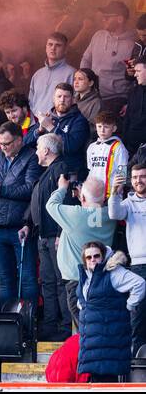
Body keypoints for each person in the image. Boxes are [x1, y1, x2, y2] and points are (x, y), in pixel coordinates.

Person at [46, 173, 116, 332]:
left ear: (82, 198)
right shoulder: (109, 215)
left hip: (76, 280)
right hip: (100, 279)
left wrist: (62, 188)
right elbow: (96, 208)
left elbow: (51, 204)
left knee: (84, 328)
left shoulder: (76, 215)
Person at [0, 121, 40, 303]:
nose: (3, 147)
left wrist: (2, 191)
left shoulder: (31, 157)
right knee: (5, 280)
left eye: (7, 143)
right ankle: (7, 324)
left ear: (19, 141)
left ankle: (28, 322)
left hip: (21, 226)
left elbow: (31, 189)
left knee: (27, 278)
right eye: (1, 144)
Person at [28, 133, 77, 340]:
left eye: (38, 147)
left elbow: (67, 202)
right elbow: (38, 202)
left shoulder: (61, 169)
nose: (36, 151)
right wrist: (27, 224)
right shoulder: (47, 171)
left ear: (47, 150)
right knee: (47, 281)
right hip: (43, 236)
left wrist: (60, 232)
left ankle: (66, 326)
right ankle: (49, 325)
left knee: (59, 281)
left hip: (55, 237)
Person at [76, 243, 145, 381]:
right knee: (97, 381)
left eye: (96, 256)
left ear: (103, 257)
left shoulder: (113, 273)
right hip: (92, 343)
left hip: (108, 343)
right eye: (89, 257)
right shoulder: (86, 276)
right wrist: (83, 307)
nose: (93, 259)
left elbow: (140, 283)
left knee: (106, 381)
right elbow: (83, 299)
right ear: (85, 260)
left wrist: (130, 305)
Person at [108, 160, 146, 351]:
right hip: (139, 265)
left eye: (143, 176)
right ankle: (137, 358)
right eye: (136, 177)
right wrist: (114, 191)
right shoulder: (129, 202)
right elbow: (114, 214)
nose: (139, 181)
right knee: (138, 315)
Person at [81, 1, 136, 113]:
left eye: (107, 17)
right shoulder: (98, 36)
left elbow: (134, 78)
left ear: (120, 19)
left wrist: (129, 102)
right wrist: (83, 80)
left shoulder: (133, 45)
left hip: (116, 101)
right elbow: (86, 59)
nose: (103, 19)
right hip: (92, 96)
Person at [29, 32, 77, 117]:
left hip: (59, 125)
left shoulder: (72, 73)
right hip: (35, 126)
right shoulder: (37, 75)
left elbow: (75, 103)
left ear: (65, 50)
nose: (53, 48)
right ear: (46, 48)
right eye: (50, 44)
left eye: (58, 45)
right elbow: (31, 103)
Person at [85, 110, 129, 191]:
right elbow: (90, 171)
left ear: (114, 128)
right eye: (99, 126)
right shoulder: (91, 147)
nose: (102, 130)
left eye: (106, 127)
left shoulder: (119, 147)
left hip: (111, 193)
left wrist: (115, 194)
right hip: (95, 193)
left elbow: (122, 173)